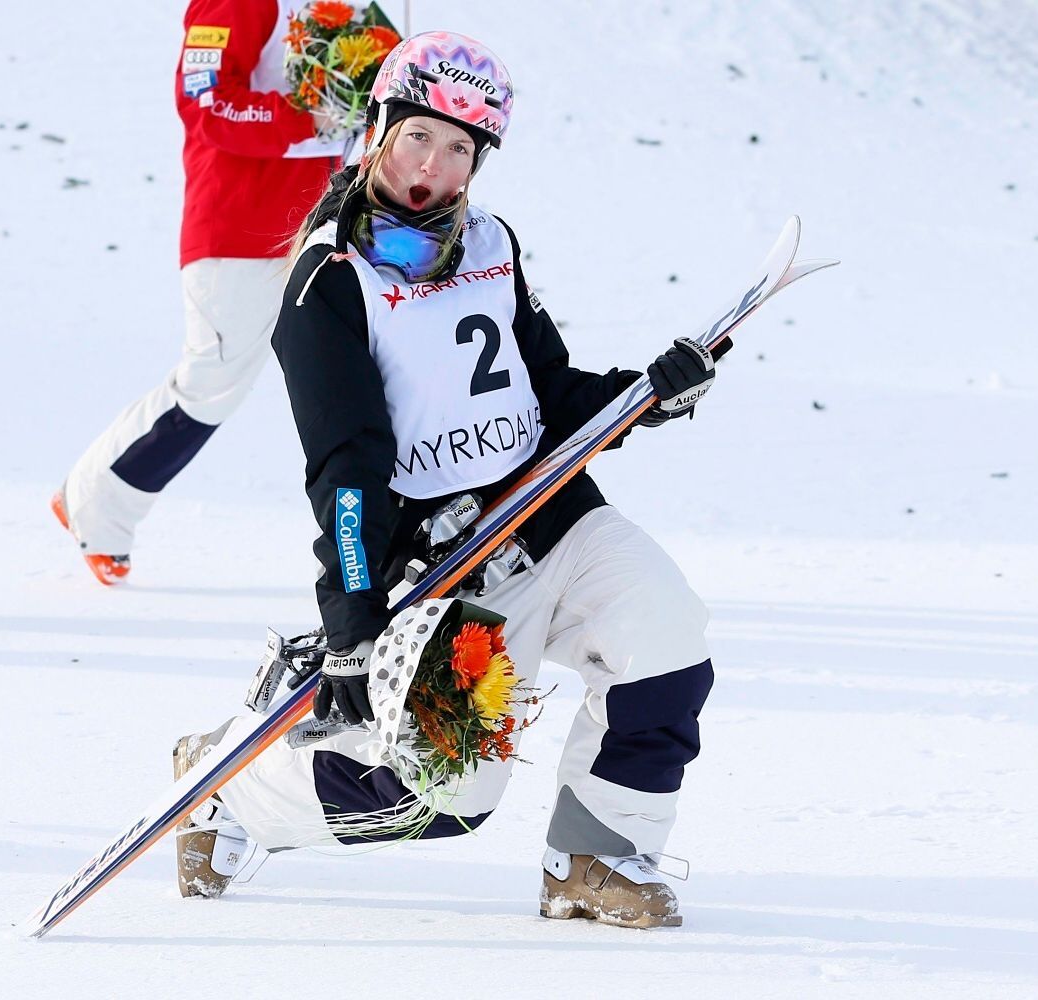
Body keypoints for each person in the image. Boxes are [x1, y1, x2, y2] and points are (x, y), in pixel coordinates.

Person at [172, 31, 729, 928]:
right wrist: (351, 619)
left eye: (460, 148)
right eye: (418, 137)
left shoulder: (491, 243)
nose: (433, 167)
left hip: (550, 513)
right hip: (447, 563)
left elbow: (547, 389)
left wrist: (645, 395)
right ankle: (230, 784)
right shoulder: (328, 283)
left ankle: (594, 858)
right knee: (435, 799)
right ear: (378, 130)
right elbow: (346, 471)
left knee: (668, 638)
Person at [51, 0, 356, 585]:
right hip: (239, 232)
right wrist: (310, 120)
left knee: (357, 373)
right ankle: (96, 502)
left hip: (315, 227)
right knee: (212, 382)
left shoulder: (338, 6)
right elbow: (204, 100)